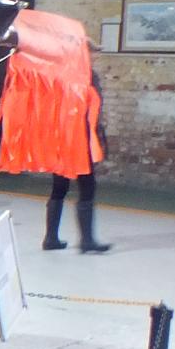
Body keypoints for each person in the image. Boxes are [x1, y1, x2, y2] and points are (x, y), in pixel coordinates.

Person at [44, 70, 110, 253]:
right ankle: (86, 241)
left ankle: (51, 238)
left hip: (62, 139)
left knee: (59, 187)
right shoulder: (86, 75)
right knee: (87, 187)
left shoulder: (61, 75)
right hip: (80, 141)